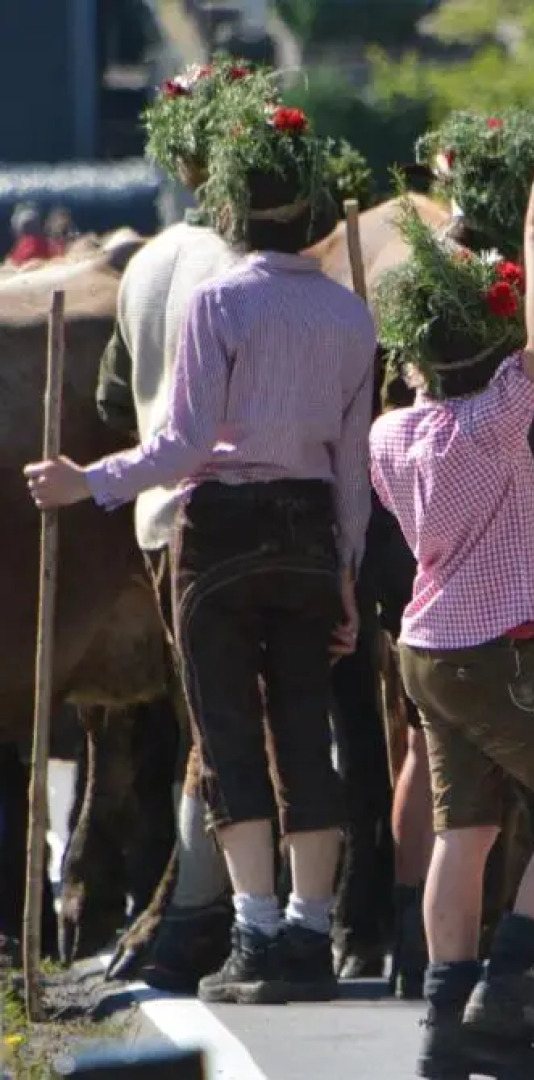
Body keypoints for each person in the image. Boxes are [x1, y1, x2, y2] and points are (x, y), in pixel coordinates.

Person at [25, 102, 378, 1004]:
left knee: (227, 738)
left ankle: (255, 933)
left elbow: (179, 447)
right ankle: (310, 930)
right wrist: (343, 569)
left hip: (218, 530)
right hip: (309, 528)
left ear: (230, 210)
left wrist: (86, 482)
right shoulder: (348, 316)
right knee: (306, 731)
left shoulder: (216, 301)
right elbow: (351, 464)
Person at [368, 160, 534, 1079]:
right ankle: (510, 976)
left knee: (462, 834)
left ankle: (442, 1026)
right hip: (499, 647)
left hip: (425, 648)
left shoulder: (388, 434)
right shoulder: (495, 422)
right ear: (487, 348)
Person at [94, 60, 278, 994]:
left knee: (207, 719)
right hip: (248, 510)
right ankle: (208, 913)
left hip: (162, 519)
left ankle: (213, 904)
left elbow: (110, 396)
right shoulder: (250, 268)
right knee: (229, 728)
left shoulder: (151, 259)